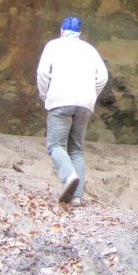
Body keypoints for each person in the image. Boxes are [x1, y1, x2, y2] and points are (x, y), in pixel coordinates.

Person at [36, 16, 109, 207]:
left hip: (60, 101)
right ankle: (75, 197)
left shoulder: (53, 46)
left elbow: (43, 73)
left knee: (56, 145)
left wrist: (45, 95)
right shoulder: (89, 49)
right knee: (76, 149)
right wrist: (91, 95)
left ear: (61, 31)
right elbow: (102, 77)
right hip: (85, 104)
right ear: (79, 33)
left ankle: (69, 178)